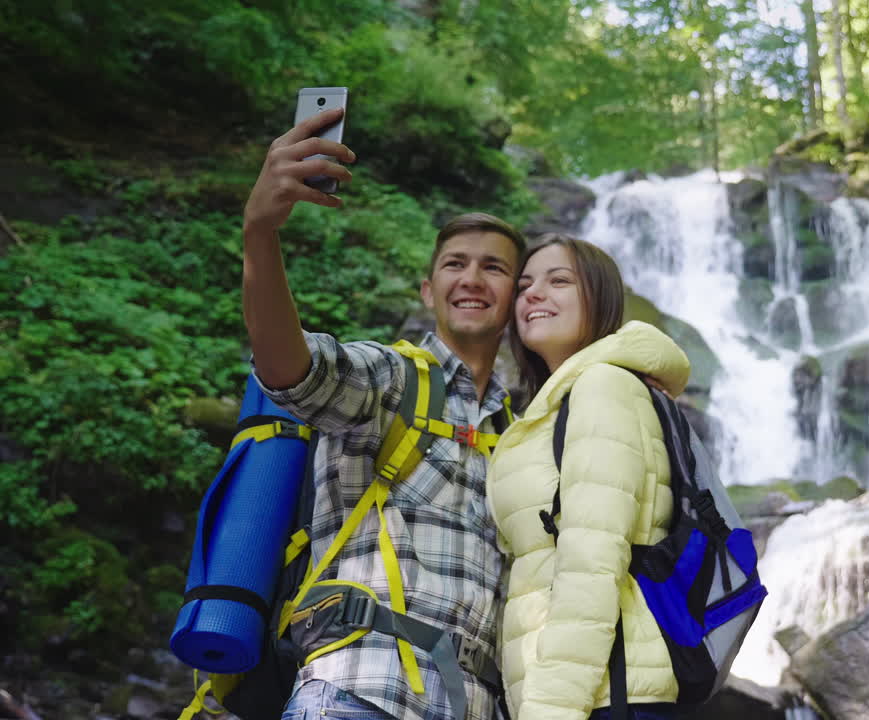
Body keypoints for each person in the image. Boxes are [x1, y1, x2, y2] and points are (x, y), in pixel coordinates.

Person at [242, 105, 524, 720]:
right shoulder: (393, 378)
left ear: (516, 299)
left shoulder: (521, 434)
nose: (472, 278)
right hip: (359, 691)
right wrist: (260, 236)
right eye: (455, 264)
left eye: (494, 267)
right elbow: (292, 369)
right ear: (428, 292)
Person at [485, 234, 691, 720]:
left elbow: (592, 557)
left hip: (601, 694)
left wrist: (553, 709)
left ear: (600, 298)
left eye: (559, 281)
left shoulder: (601, 386)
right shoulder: (556, 404)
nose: (533, 293)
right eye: (525, 285)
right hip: (585, 690)